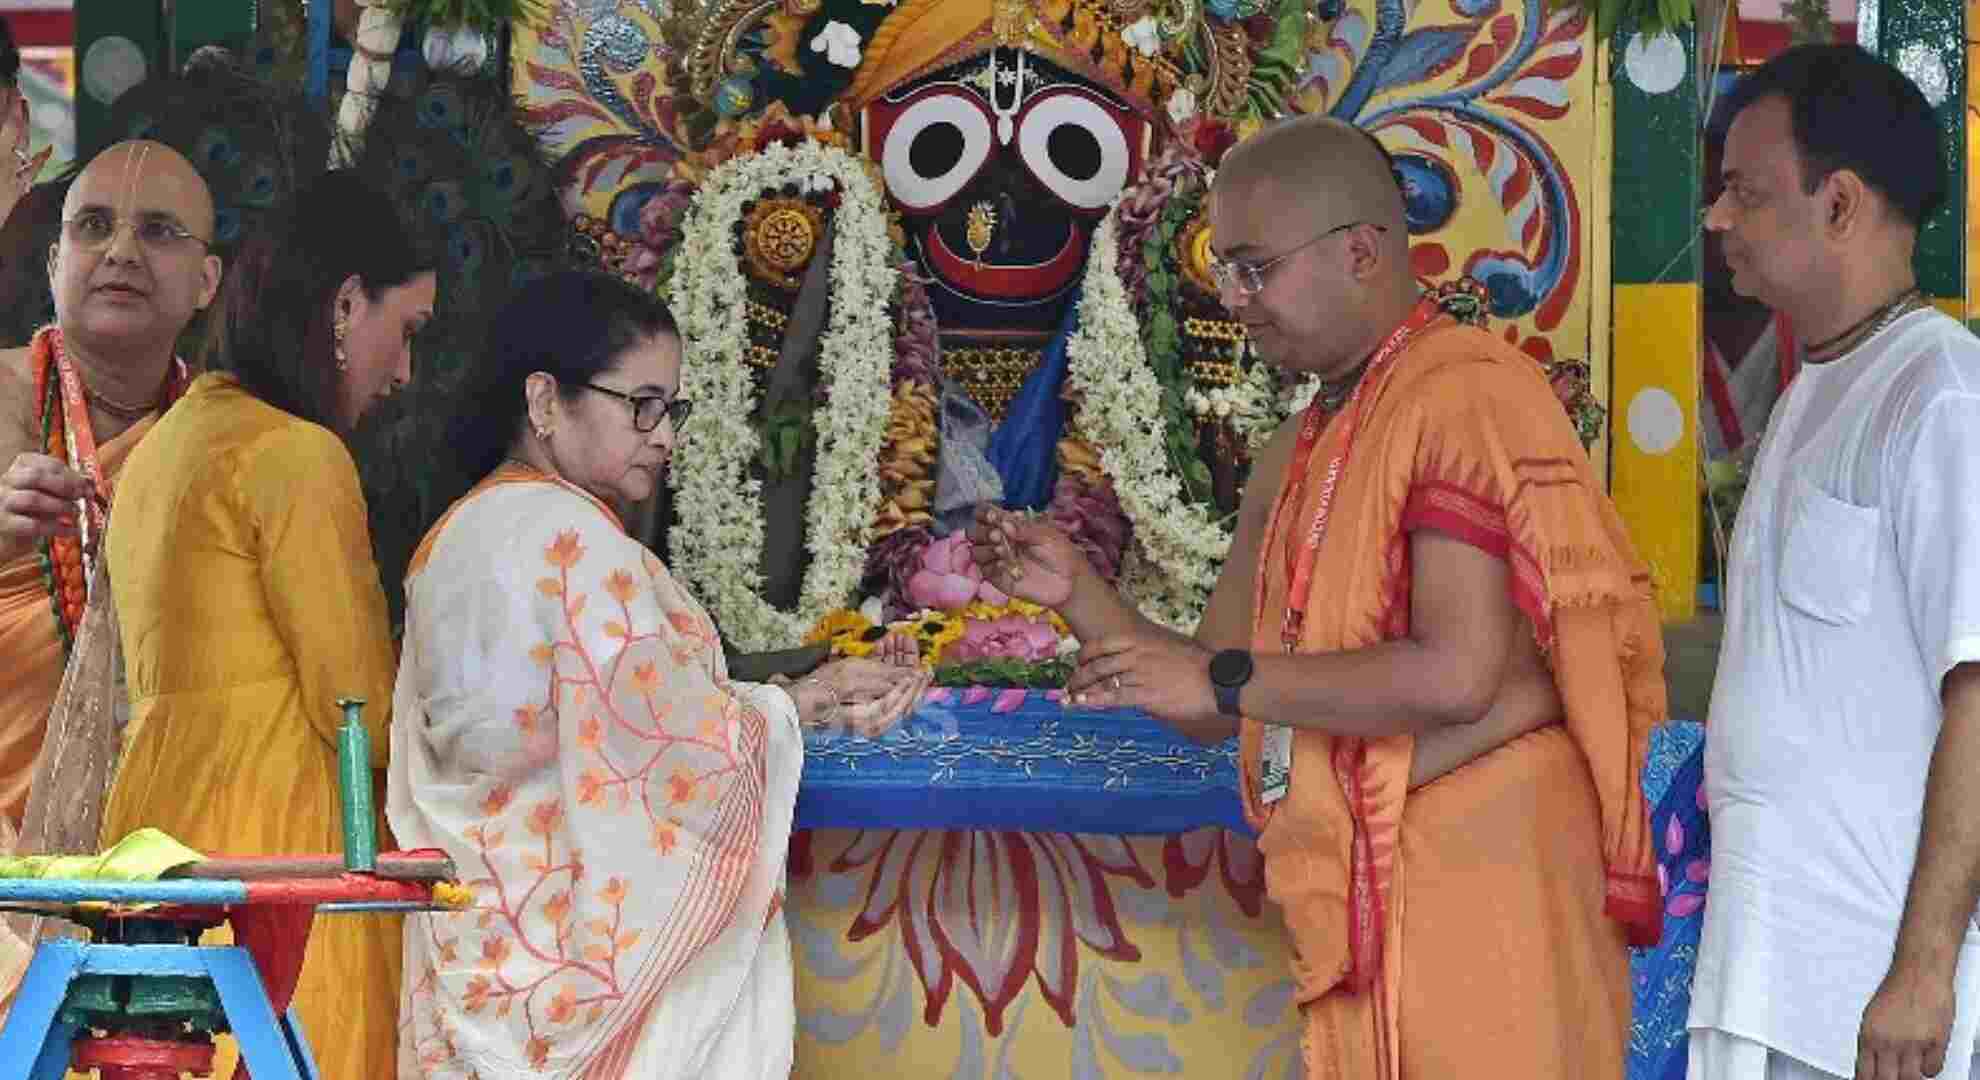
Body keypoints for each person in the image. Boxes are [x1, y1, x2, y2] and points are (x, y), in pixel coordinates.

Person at [972, 115, 1666, 1077]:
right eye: (1226, 272)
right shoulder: (1299, 445)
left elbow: (1456, 675)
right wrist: (1080, 593)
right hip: (1373, 871)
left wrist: (1219, 681)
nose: (1235, 301)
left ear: (1361, 252)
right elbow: (1220, 696)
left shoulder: (1462, 395)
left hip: (1486, 864)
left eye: (1255, 270)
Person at [388, 270, 930, 1078]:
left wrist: (794, 697)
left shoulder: (453, 539)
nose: (665, 434)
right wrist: (793, 712)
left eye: (671, 409)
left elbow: (601, 731)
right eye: (640, 405)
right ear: (545, 401)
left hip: (474, 942)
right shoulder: (573, 545)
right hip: (572, 959)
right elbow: (679, 760)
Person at [99, 169, 434, 1078]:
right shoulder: (297, 455)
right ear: (344, 304)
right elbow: (352, 703)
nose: (405, 371)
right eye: (404, 333)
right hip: (279, 846)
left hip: (157, 837)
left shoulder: (167, 442)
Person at [1689, 45, 1980, 1080]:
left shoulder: (1940, 395)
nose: (1717, 218)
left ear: (1842, 203)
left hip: (1872, 1004)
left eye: (1743, 190)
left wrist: (1924, 972)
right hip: (1774, 978)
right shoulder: (1819, 384)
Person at [0, 141, 221, 828]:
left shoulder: (228, 441)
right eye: (92, 225)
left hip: (169, 846)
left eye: (157, 230)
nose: (121, 251)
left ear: (207, 282)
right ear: (53, 262)